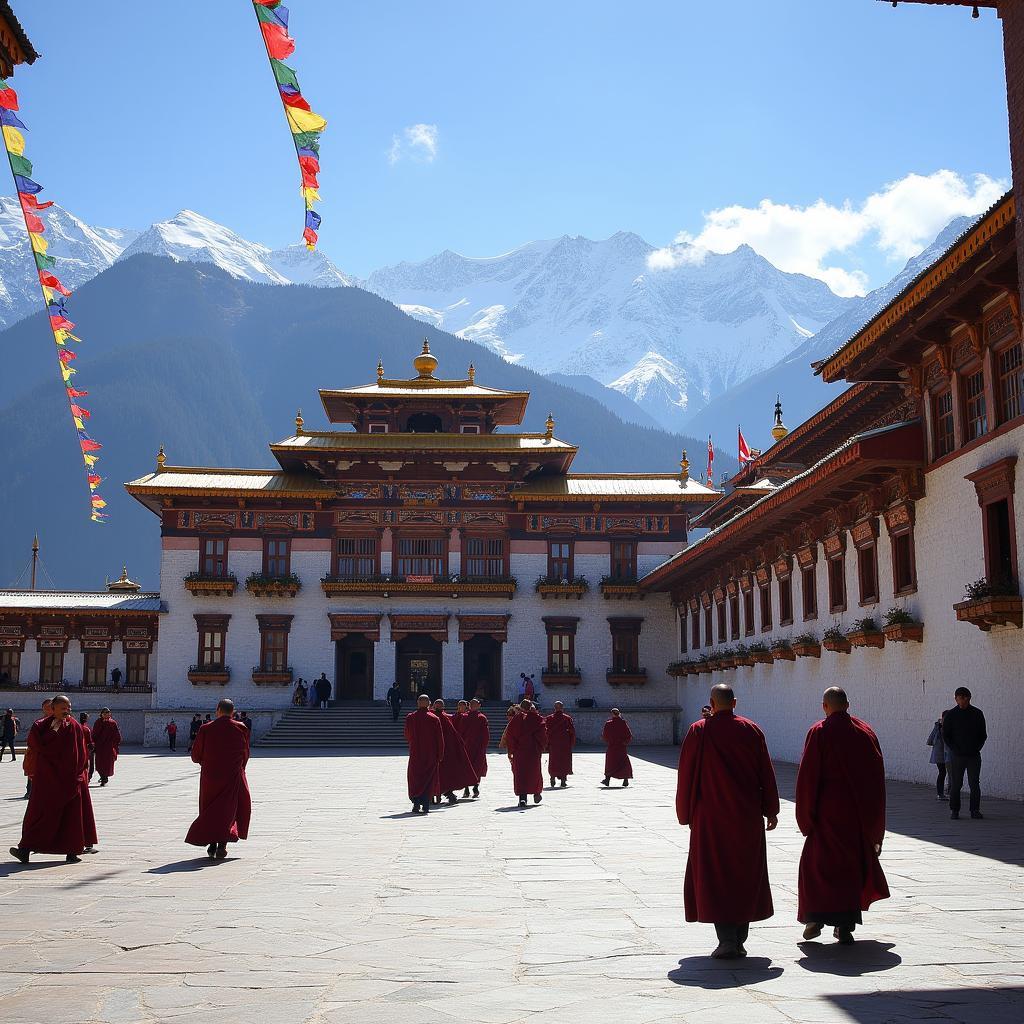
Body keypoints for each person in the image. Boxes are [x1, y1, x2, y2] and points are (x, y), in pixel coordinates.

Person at [676, 684, 779, 959]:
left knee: (716, 875)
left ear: (712, 702)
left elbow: (685, 774)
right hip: (746, 816)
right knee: (744, 873)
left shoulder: (699, 731)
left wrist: (684, 813)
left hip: (710, 818)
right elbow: (766, 773)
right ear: (734, 702)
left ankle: (727, 940)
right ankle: (739, 939)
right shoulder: (752, 730)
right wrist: (772, 809)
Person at [795, 687, 889, 945]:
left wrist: (805, 817)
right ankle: (845, 926)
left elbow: (808, 777)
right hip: (856, 817)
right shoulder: (865, 733)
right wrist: (875, 828)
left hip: (826, 814)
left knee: (817, 867)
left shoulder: (819, 732)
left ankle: (814, 918)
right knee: (850, 869)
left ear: (825, 706)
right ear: (847, 705)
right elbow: (875, 781)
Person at [10, 695, 96, 864]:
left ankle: (72, 852)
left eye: (69, 708)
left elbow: (82, 751)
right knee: (40, 813)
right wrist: (53, 732)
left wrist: (81, 774)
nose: (67, 711)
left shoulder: (75, 726)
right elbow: (38, 746)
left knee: (71, 817)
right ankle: (25, 850)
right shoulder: (41, 726)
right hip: (48, 779)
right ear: (53, 709)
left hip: (71, 778)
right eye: (63, 708)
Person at [185, 698, 251, 860]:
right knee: (228, 809)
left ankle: (212, 843)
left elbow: (195, 755)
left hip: (210, 777)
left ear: (218, 710)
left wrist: (205, 762)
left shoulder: (206, 729)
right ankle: (222, 845)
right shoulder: (241, 728)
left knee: (210, 808)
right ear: (233, 712)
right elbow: (245, 754)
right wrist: (239, 769)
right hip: (232, 776)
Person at [942, 687, 987, 820]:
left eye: (967, 698)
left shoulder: (977, 714)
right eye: (961, 698)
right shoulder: (951, 715)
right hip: (957, 755)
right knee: (956, 783)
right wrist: (954, 749)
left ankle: (975, 810)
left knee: (974, 783)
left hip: (973, 755)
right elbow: (946, 735)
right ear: (956, 699)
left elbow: (983, 734)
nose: (964, 701)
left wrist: (977, 748)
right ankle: (954, 810)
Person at [431, 699, 479, 804]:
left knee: (435, 774)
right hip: (445, 752)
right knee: (445, 774)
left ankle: (439, 795)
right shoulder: (444, 718)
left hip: (434, 751)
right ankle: (448, 794)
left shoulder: (438, 717)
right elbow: (454, 736)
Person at [404, 694, 443, 814]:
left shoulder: (411, 717)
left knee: (415, 778)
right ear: (429, 704)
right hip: (430, 754)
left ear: (417, 703)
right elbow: (439, 739)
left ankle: (416, 803)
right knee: (428, 779)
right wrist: (440, 754)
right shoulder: (434, 719)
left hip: (416, 753)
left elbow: (407, 735)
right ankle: (426, 805)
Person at [505, 699, 547, 808]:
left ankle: (522, 798)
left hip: (519, 751)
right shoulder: (538, 719)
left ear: (521, 707)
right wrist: (541, 747)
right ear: (531, 706)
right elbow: (542, 735)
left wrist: (511, 751)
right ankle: (536, 792)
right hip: (533, 751)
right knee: (534, 772)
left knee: (521, 774)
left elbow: (510, 736)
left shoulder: (516, 719)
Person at [22, 698, 52, 798]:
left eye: (51, 708)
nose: (48, 710)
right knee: (34, 773)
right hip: (38, 754)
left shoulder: (65, 723)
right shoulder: (39, 723)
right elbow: (32, 742)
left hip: (53, 757)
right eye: (46, 708)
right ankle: (29, 791)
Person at [461, 699, 489, 799]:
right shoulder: (467, 717)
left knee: (473, 767)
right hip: (471, 746)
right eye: (472, 704)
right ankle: (470, 788)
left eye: (474, 704)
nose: (473, 706)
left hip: (474, 747)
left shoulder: (480, 718)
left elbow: (485, 734)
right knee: (471, 767)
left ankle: (472, 788)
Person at [545, 701, 576, 788]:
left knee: (553, 760)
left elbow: (546, 731)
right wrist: (571, 742)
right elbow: (572, 731)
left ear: (554, 708)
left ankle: (552, 777)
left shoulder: (549, 718)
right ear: (562, 708)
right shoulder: (567, 718)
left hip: (553, 743)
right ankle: (563, 780)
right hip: (564, 743)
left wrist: (546, 743)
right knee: (564, 761)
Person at [601, 708, 633, 787]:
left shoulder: (608, 723)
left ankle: (607, 780)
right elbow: (629, 735)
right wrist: (624, 742)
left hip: (612, 746)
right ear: (619, 713)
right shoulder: (623, 723)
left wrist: (609, 741)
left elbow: (605, 735)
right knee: (623, 762)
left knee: (610, 762)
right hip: (621, 746)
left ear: (612, 714)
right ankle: (625, 780)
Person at [92, 708, 122, 787]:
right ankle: (103, 777)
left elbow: (117, 735)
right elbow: (94, 734)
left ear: (110, 714)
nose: (106, 715)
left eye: (107, 713)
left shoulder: (112, 723)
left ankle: (105, 777)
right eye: (104, 713)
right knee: (99, 763)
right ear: (101, 714)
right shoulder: (98, 722)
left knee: (108, 763)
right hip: (100, 747)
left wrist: (115, 744)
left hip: (109, 747)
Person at [927, 713, 951, 801]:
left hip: (942, 754)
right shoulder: (939, 728)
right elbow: (930, 741)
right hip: (942, 754)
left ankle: (943, 793)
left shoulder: (939, 727)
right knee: (944, 773)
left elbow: (929, 741)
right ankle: (942, 793)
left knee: (944, 773)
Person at [79, 712, 95, 780]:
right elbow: (90, 740)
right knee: (89, 763)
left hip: (80, 749)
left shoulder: (77, 727)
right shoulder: (86, 728)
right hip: (87, 749)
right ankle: (88, 776)